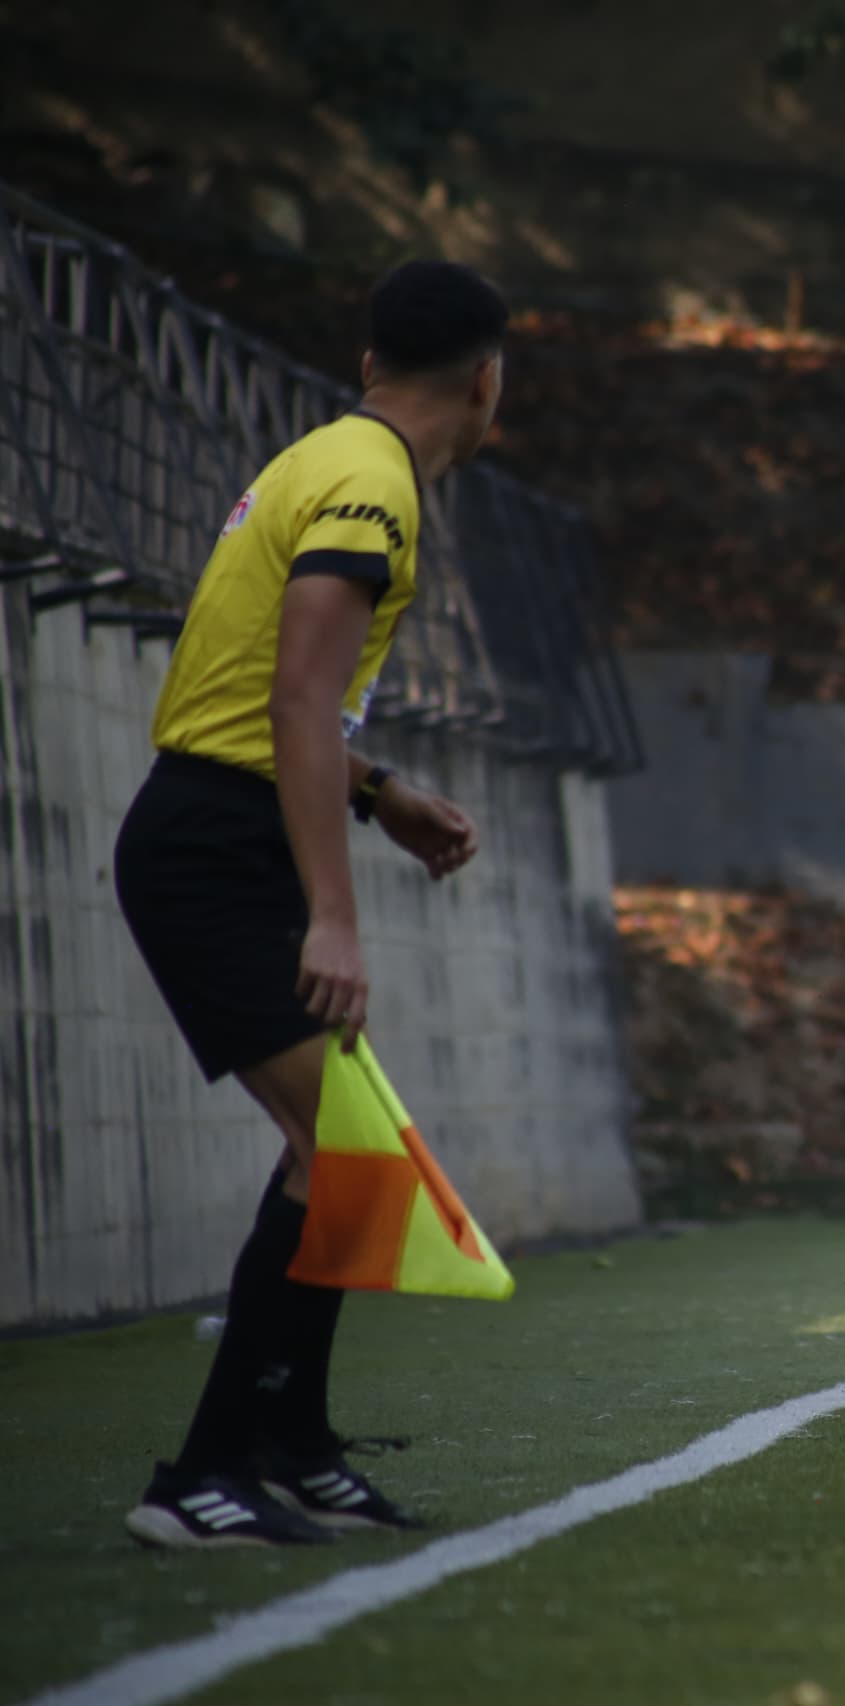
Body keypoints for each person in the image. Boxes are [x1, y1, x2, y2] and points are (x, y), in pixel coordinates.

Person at [114, 260, 505, 1546]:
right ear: (488, 382)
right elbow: (291, 698)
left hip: (219, 825)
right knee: (344, 1152)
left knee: (345, 1156)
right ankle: (204, 1474)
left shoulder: (322, 455)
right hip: (216, 845)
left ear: (369, 360)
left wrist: (379, 789)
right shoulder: (374, 487)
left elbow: (282, 694)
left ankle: (288, 1442)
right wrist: (335, 917)